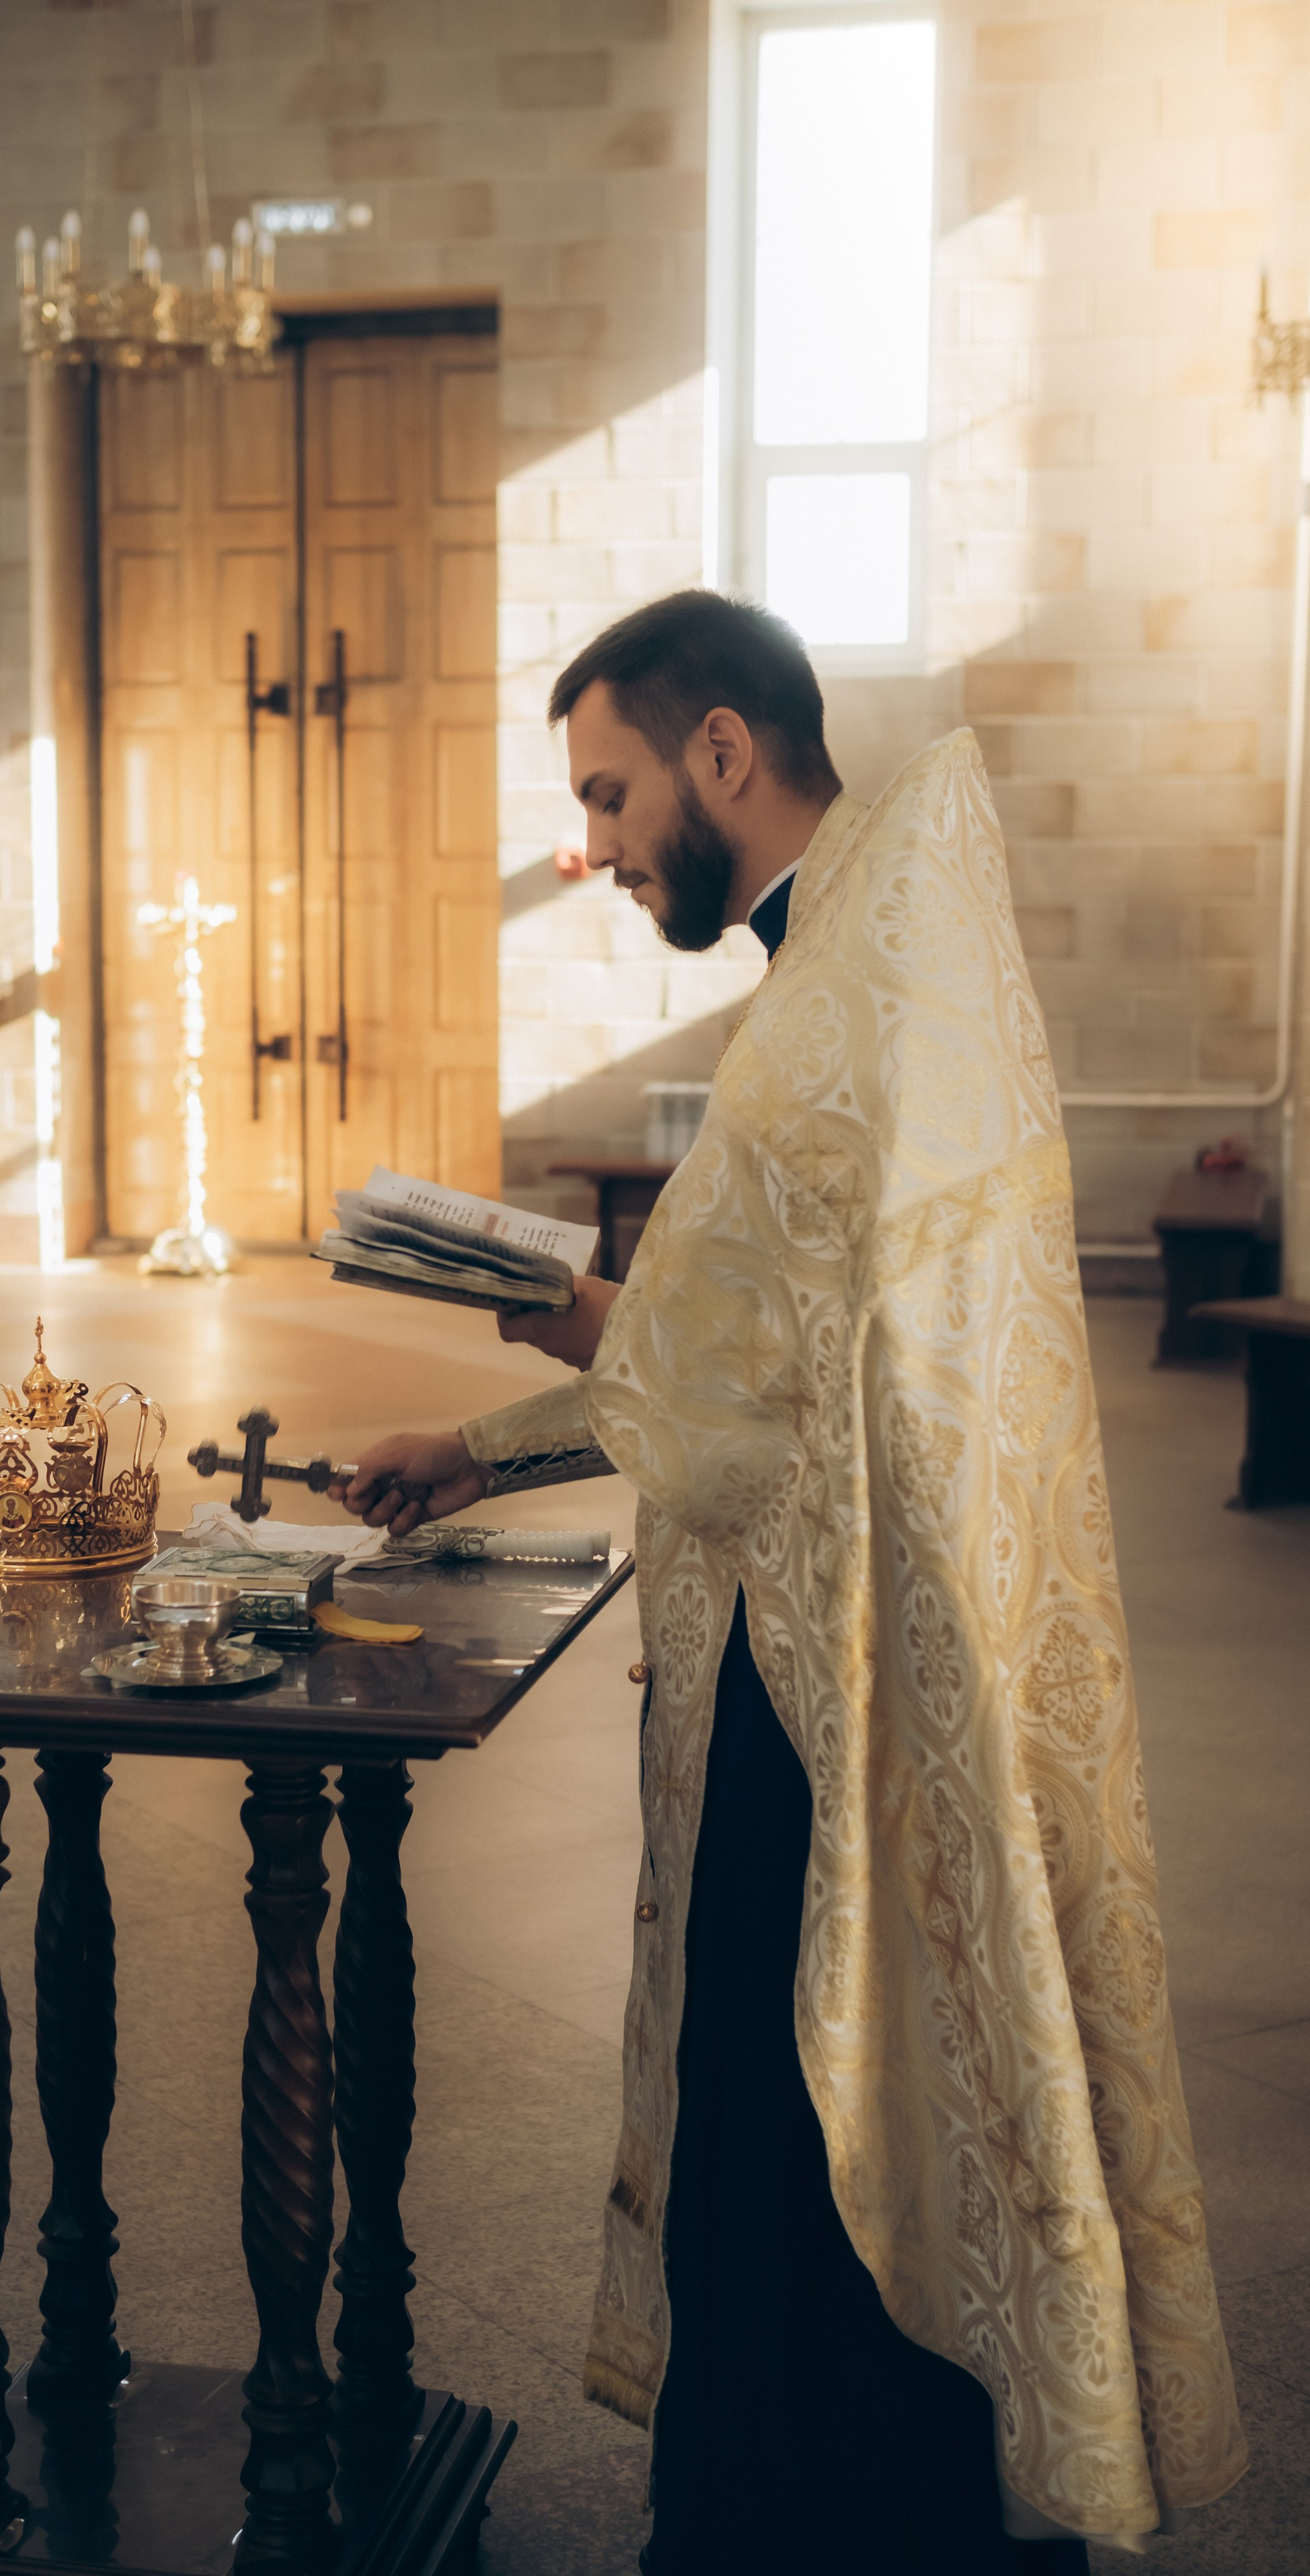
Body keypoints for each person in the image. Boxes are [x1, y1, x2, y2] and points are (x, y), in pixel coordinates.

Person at [333, 592, 1246, 2568]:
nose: (591, 842)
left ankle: (808, 2526)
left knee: (796, 2121)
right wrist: (485, 1450)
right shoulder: (883, 949)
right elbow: (762, 1345)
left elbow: (726, 1384)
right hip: (878, 1640)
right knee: (854, 2106)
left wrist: (519, 1301)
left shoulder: (838, 1000)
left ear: (723, 753)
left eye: (608, 791)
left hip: (822, 1684)